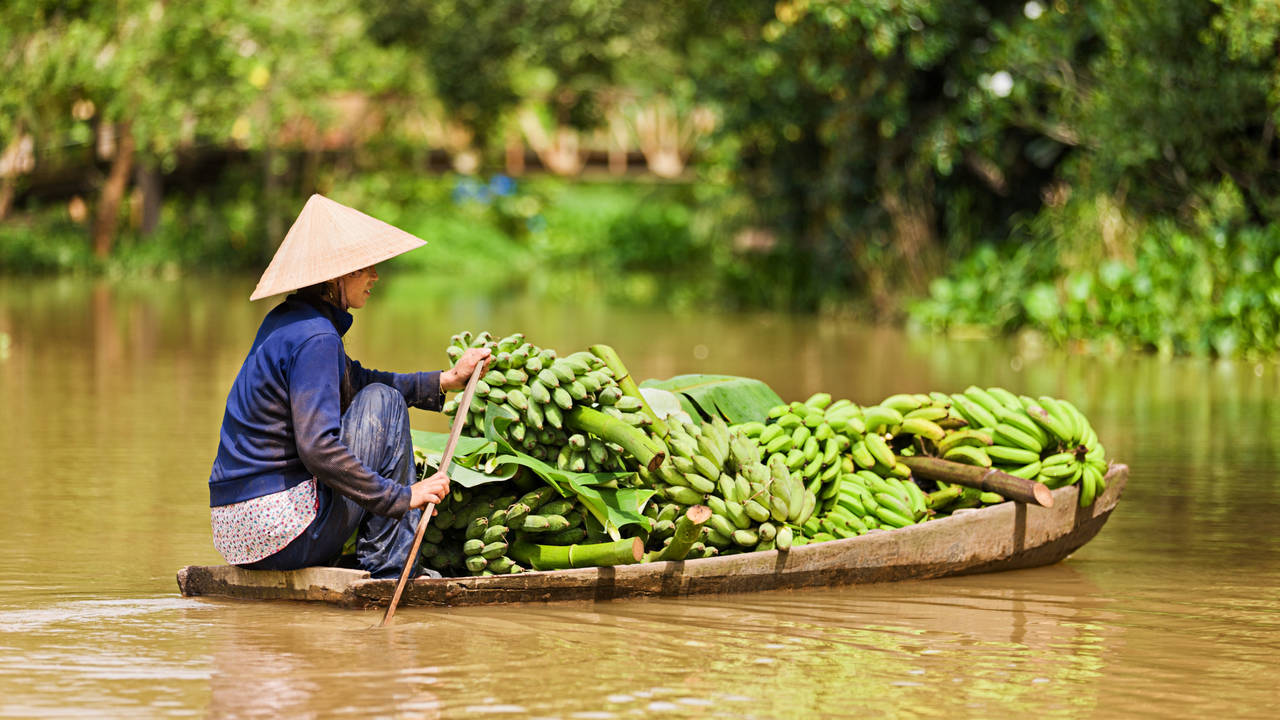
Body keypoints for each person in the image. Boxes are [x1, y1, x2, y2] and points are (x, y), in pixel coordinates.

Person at [207, 194, 489, 578]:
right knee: (385, 402)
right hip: (278, 531)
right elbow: (318, 448)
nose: (375, 275)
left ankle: (370, 553)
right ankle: (390, 566)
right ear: (335, 276)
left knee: (377, 394)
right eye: (364, 267)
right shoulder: (317, 338)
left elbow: (355, 380)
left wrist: (446, 381)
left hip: (235, 531)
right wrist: (402, 498)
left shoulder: (288, 322)